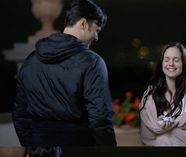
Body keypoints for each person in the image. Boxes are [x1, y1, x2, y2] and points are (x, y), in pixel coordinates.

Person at [13, 0, 116, 146]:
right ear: (83, 24)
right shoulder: (92, 62)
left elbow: (20, 115)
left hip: (39, 143)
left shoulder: (30, 60)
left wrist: (31, 144)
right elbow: (100, 118)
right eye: (96, 30)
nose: (96, 37)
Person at [140, 42, 186, 146]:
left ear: (184, 63)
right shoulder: (150, 96)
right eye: (167, 59)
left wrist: (167, 130)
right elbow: (146, 137)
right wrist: (179, 132)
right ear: (161, 63)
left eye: (176, 60)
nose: (171, 63)